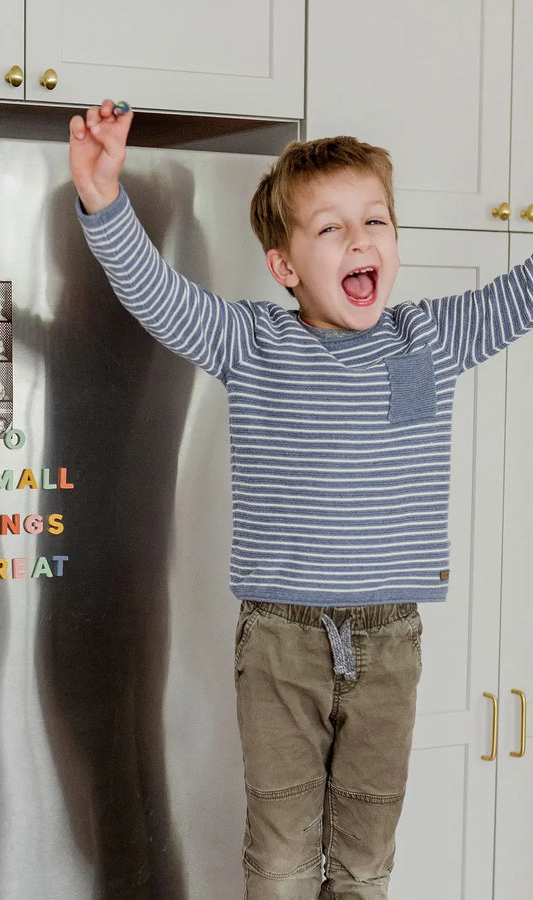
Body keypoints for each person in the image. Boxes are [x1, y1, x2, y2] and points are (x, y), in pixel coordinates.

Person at [69, 99, 533, 898]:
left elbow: (521, 296)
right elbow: (156, 296)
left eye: (376, 221)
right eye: (331, 229)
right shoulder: (253, 343)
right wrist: (105, 199)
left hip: (390, 642)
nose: (361, 241)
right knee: (282, 863)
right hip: (281, 642)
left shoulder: (429, 341)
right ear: (284, 265)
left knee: (364, 862)